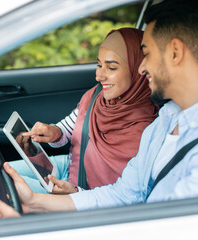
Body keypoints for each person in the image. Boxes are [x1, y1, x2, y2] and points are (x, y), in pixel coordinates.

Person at [0, 0, 198, 217]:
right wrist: (34, 204)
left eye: (145, 53)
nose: (142, 67)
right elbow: (125, 195)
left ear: (175, 52)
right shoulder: (164, 121)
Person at [9, 27, 158, 194]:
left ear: (138, 69)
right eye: (99, 65)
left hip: (86, 195)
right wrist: (54, 132)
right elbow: (68, 129)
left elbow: (124, 196)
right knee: (2, 174)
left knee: (5, 189)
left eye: (111, 68)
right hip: (69, 166)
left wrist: (76, 193)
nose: (99, 76)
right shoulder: (96, 96)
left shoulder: (146, 130)